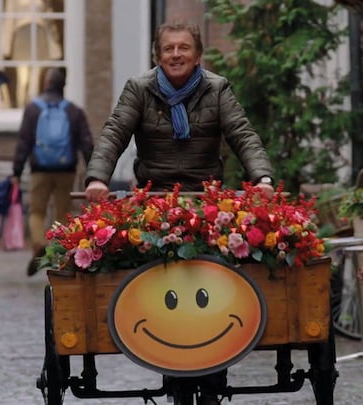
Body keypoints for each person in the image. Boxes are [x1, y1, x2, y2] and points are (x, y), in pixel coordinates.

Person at [84, 21, 275, 405]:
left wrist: (263, 177)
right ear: (157, 55)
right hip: (154, 197)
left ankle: (216, 359)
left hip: (207, 199)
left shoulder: (217, 89)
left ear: (197, 53)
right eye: (168, 48)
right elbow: (114, 132)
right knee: (160, 276)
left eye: (183, 48)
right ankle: (167, 350)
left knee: (216, 272)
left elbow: (242, 133)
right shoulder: (139, 89)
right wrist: (97, 178)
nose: (176, 55)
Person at [12, 67, 94, 277]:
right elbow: (86, 144)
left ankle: (39, 244)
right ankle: (60, 255)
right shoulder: (74, 111)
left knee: (37, 211)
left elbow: (23, 142)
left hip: (40, 169)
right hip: (66, 170)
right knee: (62, 212)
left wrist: (17, 170)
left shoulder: (33, 109)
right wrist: (93, 174)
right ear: (62, 86)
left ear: (46, 83)